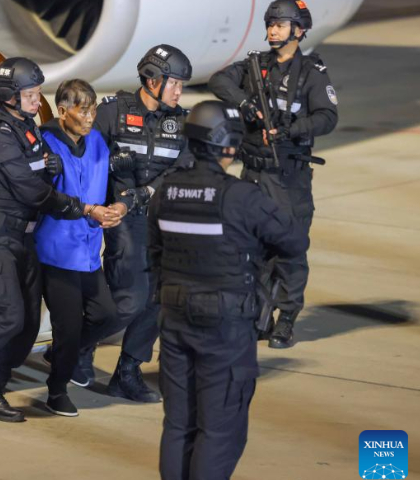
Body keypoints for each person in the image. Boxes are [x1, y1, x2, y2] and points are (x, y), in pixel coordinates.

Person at [0, 58, 119, 423]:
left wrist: (49, 167)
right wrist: (81, 208)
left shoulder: (25, 127)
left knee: (26, 328)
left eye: (38, 93)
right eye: (31, 94)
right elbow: (29, 190)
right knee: (9, 316)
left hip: (23, 237)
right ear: (10, 95)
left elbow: (38, 170)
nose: (39, 101)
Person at [149, 100, 309, 480]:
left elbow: (154, 251)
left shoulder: (165, 191)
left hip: (174, 317)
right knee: (220, 430)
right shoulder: (240, 196)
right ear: (228, 144)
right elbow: (294, 240)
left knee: (179, 424)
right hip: (225, 325)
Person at [208, 0, 338, 348]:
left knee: (289, 249)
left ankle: (287, 318)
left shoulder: (311, 72)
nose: (272, 30)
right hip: (253, 173)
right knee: (252, 249)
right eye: (270, 24)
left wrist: (291, 130)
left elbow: (327, 117)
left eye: (280, 25)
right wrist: (245, 103)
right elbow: (219, 80)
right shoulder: (256, 66)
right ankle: (260, 316)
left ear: (299, 30)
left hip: (288, 177)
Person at [82, 44, 193, 403]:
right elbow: (83, 158)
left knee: (159, 298)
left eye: (181, 85)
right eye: (174, 83)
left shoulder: (181, 123)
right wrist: (105, 193)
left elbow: (183, 168)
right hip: (121, 219)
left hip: (161, 221)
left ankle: (127, 372)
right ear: (152, 80)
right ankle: (76, 347)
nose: (179, 91)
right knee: (129, 300)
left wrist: (145, 191)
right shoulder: (112, 113)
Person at [35, 79, 124, 417]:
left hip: (88, 251)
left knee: (107, 315)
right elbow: (43, 196)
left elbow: (107, 184)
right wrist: (88, 210)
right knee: (68, 327)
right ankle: (56, 391)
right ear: (62, 111)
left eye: (93, 110)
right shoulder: (46, 144)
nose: (89, 118)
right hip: (56, 251)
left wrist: (116, 208)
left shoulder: (97, 141)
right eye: (82, 111)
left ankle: (62, 353)